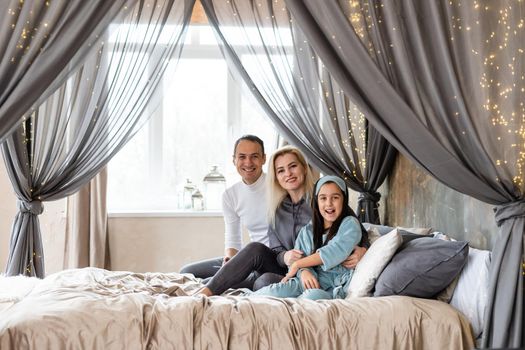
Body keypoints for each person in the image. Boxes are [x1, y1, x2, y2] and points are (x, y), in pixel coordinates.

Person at [197, 146, 368, 296]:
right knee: (254, 249)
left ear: (304, 169)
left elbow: (357, 229)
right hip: (284, 267)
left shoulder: (323, 200)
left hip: (312, 273)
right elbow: (275, 249)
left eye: (293, 166)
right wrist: (285, 256)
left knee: (263, 282)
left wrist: (363, 251)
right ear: (276, 177)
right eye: (281, 170)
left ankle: (222, 283)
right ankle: (209, 289)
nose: (288, 174)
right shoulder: (277, 208)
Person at [251, 175, 364, 300]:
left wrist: (299, 264)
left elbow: (336, 250)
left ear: (344, 200)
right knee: (272, 292)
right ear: (316, 201)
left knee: (311, 296)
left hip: (333, 288)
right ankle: (243, 298)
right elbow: (299, 257)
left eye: (335, 197)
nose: (329, 203)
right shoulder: (307, 231)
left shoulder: (350, 224)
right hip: (305, 282)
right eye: (323, 198)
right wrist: (304, 270)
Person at [180, 135, 269, 289]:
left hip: (266, 260)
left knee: (206, 284)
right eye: (242, 157)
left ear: (263, 159)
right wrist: (229, 259)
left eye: (254, 157)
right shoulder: (230, 195)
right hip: (246, 257)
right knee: (187, 272)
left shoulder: (276, 186)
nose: (248, 163)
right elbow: (233, 238)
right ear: (234, 160)